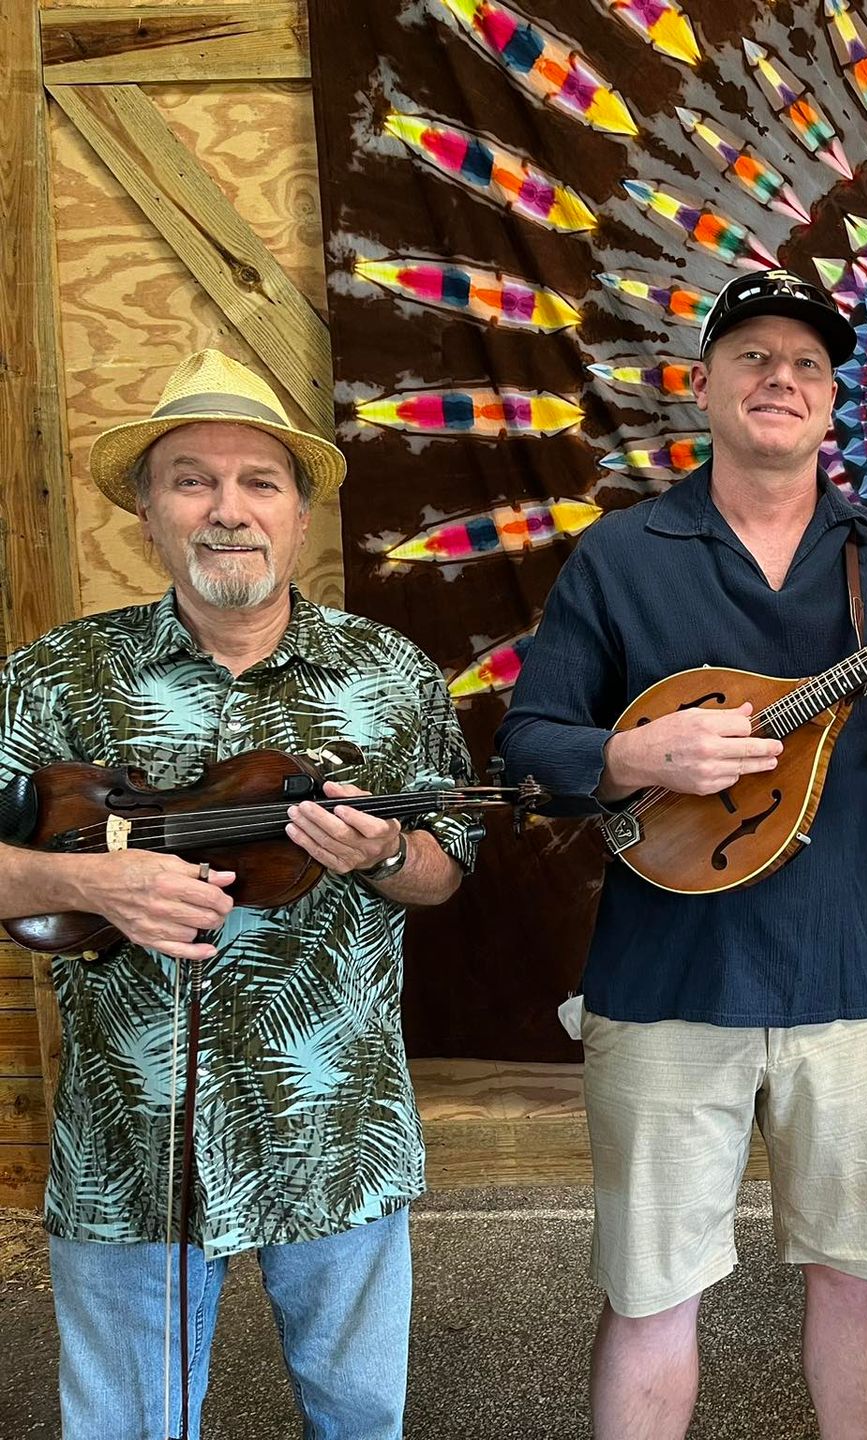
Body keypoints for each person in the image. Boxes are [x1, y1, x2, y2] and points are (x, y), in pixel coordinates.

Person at [496, 269, 867, 1440]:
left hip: (845, 970)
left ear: (834, 406)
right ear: (703, 386)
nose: (782, 378)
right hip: (667, 974)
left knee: (860, 1270)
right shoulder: (623, 555)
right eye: (755, 356)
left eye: (808, 365)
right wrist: (636, 752)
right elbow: (528, 745)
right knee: (654, 1284)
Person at [0, 350, 478, 1438]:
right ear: (146, 514)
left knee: (358, 1424)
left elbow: (446, 869)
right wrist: (92, 883)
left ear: (299, 515)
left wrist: (381, 855)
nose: (227, 511)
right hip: (131, 1143)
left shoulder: (389, 674)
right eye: (190, 480)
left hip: (336, 1135)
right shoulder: (55, 679)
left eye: (259, 482)